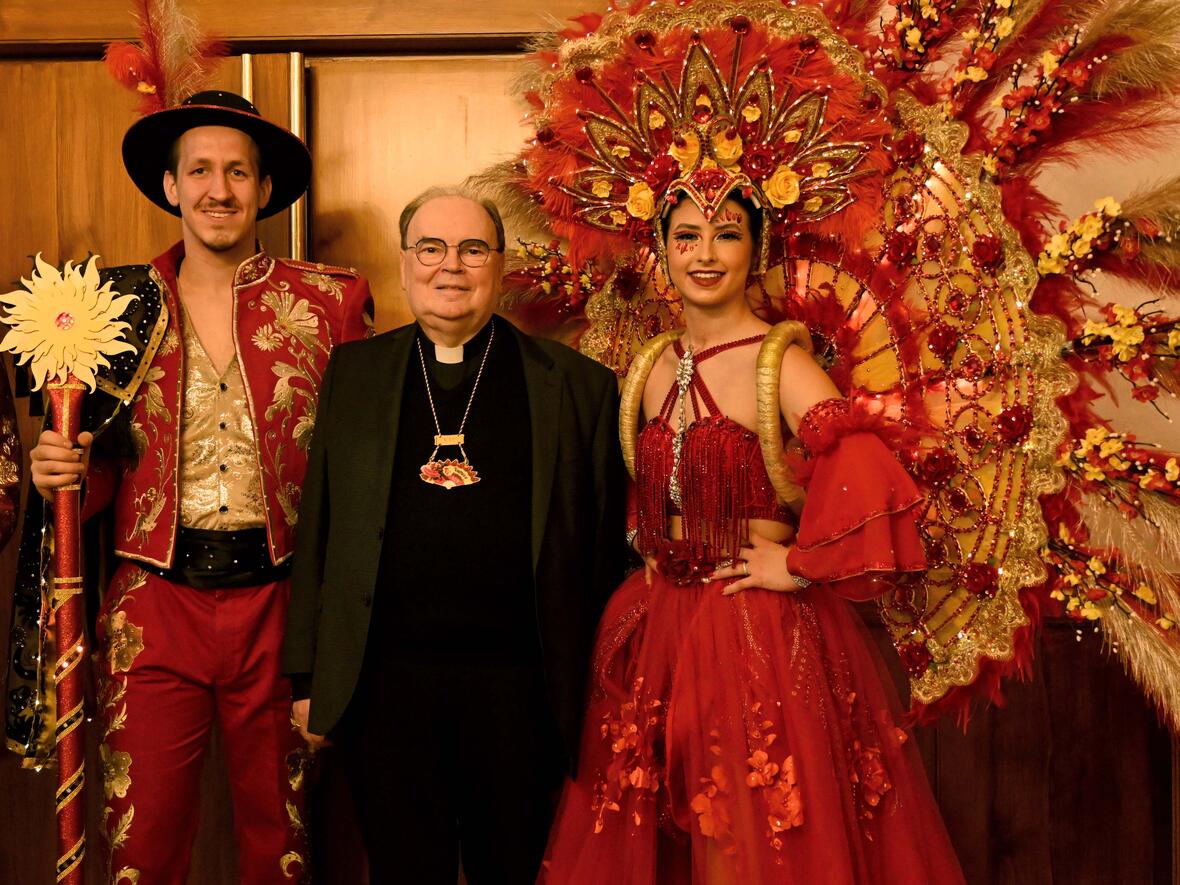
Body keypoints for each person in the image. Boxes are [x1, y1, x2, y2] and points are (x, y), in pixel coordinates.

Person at [536, 173, 966, 883]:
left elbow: (866, 475)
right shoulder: (648, 365)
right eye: (687, 237)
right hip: (660, 627)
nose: (706, 253)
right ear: (661, 251)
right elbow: (641, 493)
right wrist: (653, 541)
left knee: (748, 841)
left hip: (753, 631)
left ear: (754, 248)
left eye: (727, 234)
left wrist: (796, 564)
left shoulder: (783, 363)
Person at [28, 90, 373, 884]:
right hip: (152, 607)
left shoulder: (330, 302)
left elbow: (359, 460)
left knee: (283, 849)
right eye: (201, 171)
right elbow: (96, 464)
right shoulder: (105, 308)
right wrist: (64, 471)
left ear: (263, 190)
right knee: (140, 851)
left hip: (283, 609)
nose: (219, 190)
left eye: (238, 173)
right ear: (171, 184)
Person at [281, 188, 626, 884]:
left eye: (472, 249)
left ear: (500, 267)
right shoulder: (354, 375)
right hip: (386, 690)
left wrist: (602, 692)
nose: (451, 267)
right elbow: (318, 527)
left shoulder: (580, 386)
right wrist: (308, 676)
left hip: (521, 692)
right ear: (405, 267)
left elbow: (602, 555)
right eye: (431, 249)